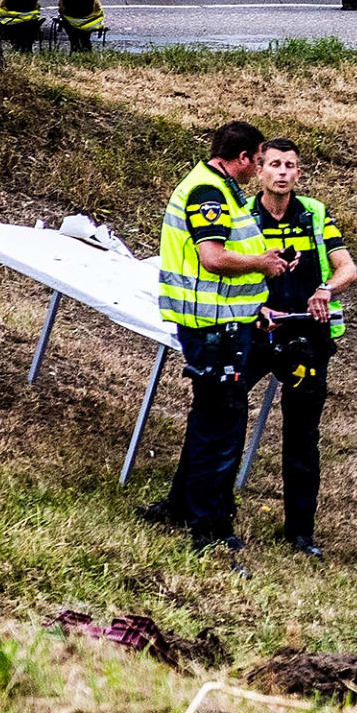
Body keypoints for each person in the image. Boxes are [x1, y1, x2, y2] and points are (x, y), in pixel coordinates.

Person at [141, 122, 281, 553]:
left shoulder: (216, 187)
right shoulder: (208, 194)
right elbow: (213, 257)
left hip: (225, 321)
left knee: (207, 420)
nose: (257, 169)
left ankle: (182, 505)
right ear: (242, 158)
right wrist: (261, 263)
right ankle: (210, 524)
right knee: (223, 426)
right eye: (258, 161)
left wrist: (255, 304)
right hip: (213, 328)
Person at [243, 134, 357, 557]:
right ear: (259, 169)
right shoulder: (243, 215)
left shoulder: (314, 213)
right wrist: (255, 307)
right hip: (256, 332)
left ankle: (300, 533)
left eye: (290, 166)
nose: (282, 173)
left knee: (303, 437)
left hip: (306, 338)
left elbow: (348, 266)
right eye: (274, 164)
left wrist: (326, 288)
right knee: (221, 412)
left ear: (299, 172)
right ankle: (205, 511)